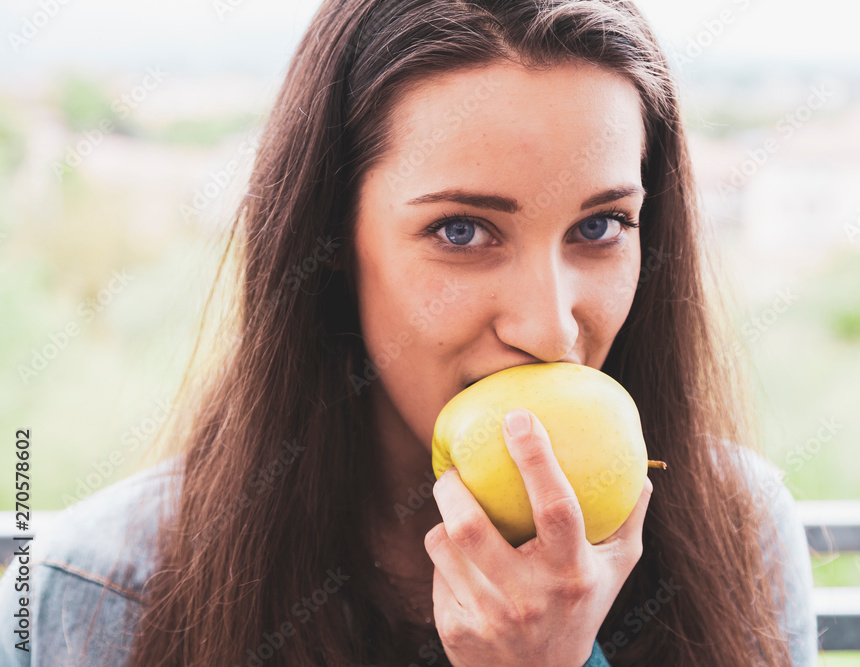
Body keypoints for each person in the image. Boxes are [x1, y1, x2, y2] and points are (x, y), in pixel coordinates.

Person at [0, 0, 817, 665]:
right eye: (463, 231)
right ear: (329, 246)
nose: (549, 326)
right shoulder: (92, 596)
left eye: (600, 226)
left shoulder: (738, 533)